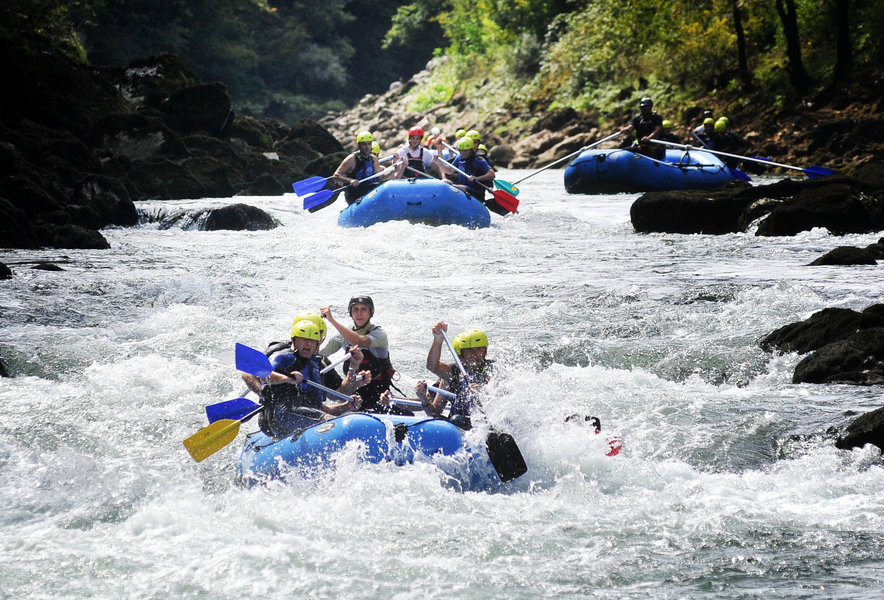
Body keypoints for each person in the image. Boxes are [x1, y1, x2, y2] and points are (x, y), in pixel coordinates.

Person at [242, 315, 371, 438]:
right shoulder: (284, 357)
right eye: (303, 339)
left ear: (318, 344)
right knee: (333, 423)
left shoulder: (316, 365)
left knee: (344, 417)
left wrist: (346, 406)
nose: (308, 344)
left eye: (312, 341)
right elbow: (264, 375)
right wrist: (286, 379)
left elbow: (320, 409)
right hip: (281, 415)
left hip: (301, 415)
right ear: (294, 341)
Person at [320, 295, 407, 414]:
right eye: (355, 309)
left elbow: (359, 341)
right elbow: (319, 355)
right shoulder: (342, 336)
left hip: (380, 398)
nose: (359, 313)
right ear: (351, 313)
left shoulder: (379, 334)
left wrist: (332, 320)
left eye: (363, 309)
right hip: (354, 399)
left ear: (370, 312)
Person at [418, 322, 494, 427]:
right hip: (457, 425)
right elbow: (432, 366)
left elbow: (500, 395)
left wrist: (482, 392)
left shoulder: (492, 370)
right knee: (456, 419)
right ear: (462, 353)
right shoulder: (453, 372)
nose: (474, 354)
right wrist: (423, 398)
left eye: (478, 350)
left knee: (457, 419)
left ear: (485, 351)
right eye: (469, 350)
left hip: (483, 426)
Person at [333, 130, 397, 205]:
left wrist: (392, 170)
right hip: (354, 194)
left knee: (380, 187)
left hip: (368, 190)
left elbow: (382, 177)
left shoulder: (373, 159)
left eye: (369, 144)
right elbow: (336, 175)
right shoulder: (351, 159)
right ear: (359, 145)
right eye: (364, 144)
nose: (367, 147)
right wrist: (350, 180)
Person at [436, 136, 495, 201]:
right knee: (447, 184)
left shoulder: (478, 160)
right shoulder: (459, 157)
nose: (464, 153)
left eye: (466, 151)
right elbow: (449, 171)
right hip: (464, 187)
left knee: (454, 187)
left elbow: (492, 174)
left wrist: (477, 178)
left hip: (476, 191)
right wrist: (438, 163)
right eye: (462, 151)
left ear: (471, 150)